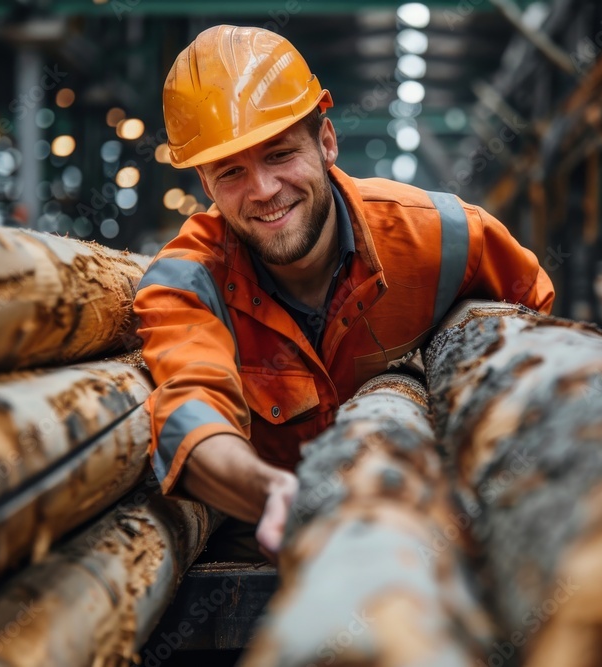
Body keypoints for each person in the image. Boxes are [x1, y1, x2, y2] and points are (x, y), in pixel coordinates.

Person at [134, 25, 554, 558]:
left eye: (281, 154)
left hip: (429, 541)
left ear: (326, 141)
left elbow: (532, 334)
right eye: (232, 171)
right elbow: (194, 415)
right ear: (207, 186)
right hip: (265, 556)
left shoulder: (446, 237)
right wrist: (272, 494)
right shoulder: (187, 283)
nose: (263, 190)